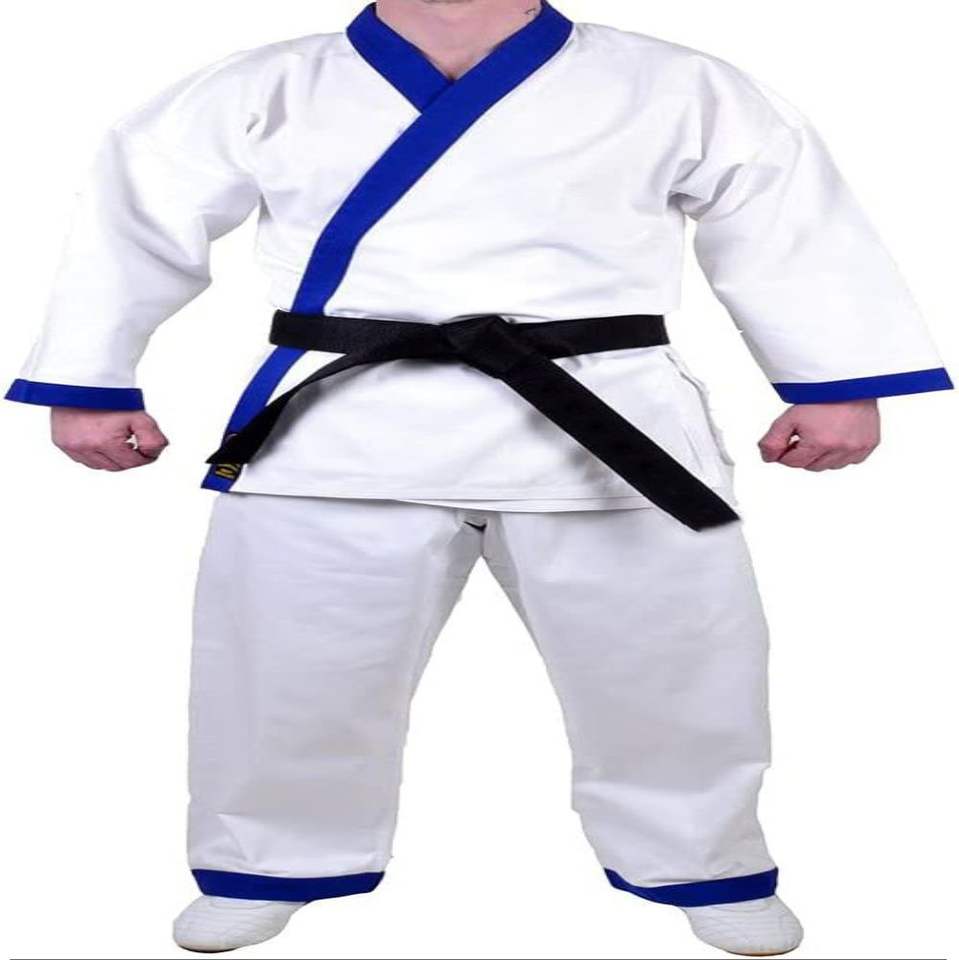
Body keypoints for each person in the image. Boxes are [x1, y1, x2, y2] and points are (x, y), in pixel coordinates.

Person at [6, 0, 951, 955]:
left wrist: (837, 382)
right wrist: (90, 376)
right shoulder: (264, 86)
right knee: (287, 667)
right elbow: (133, 220)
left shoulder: (679, 83)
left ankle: (705, 864)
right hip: (339, 429)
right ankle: (266, 861)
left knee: (674, 663)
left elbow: (790, 228)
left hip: (605, 420)